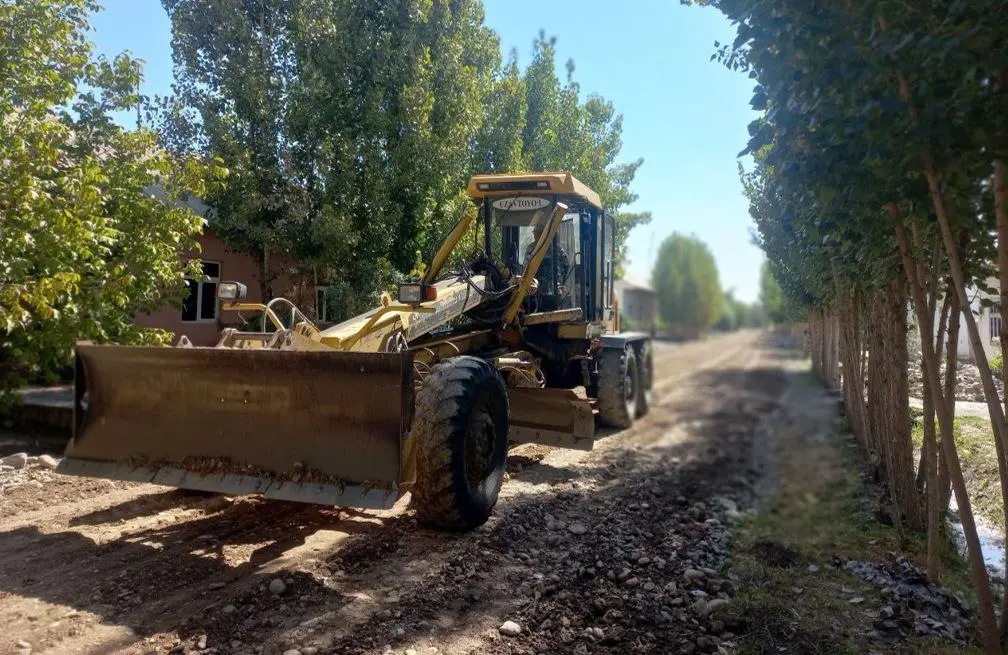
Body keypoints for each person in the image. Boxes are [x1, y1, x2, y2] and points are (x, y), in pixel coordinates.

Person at [524, 214, 571, 309]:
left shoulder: (557, 249)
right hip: (534, 292)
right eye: (535, 233)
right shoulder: (531, 249)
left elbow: (566, 265)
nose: (535, 236)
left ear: (544, 234)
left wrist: (560, 283)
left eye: (538, 233)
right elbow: (526, 267)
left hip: (554, 291)